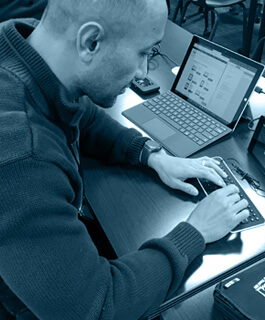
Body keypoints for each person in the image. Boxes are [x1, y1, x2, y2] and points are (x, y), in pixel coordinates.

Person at [0, 0, 250, 319]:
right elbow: (98, 307)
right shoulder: (21, 157)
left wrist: (150, 154)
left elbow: (79, 111)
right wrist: (196, 232)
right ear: (91, 42)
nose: (143, 72)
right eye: (143, 53)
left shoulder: (25, 45)